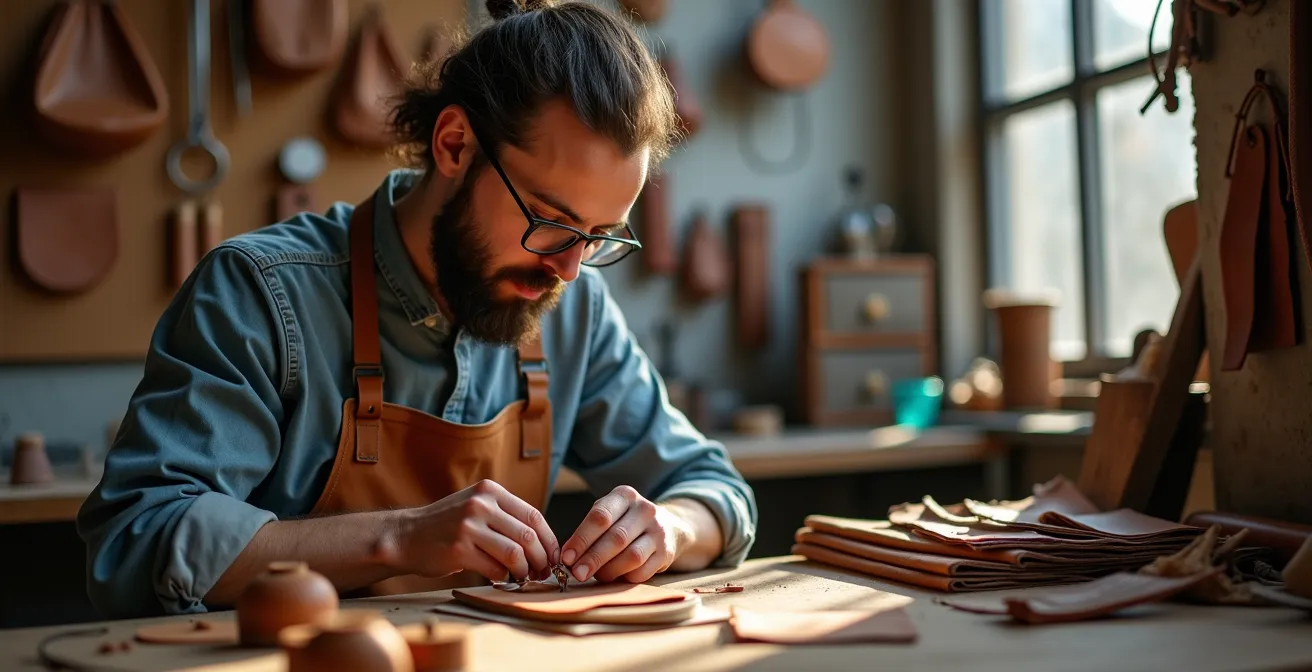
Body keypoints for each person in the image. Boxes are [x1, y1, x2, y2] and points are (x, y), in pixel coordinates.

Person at [77, 0, 757, 619]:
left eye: (600, 235)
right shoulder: (259, 292)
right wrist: (398, 536)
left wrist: (671, 528)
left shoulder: (573, 311)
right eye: (549, 221)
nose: (569, 268)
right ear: (454, 144)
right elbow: (138, 540)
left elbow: (713, 489)